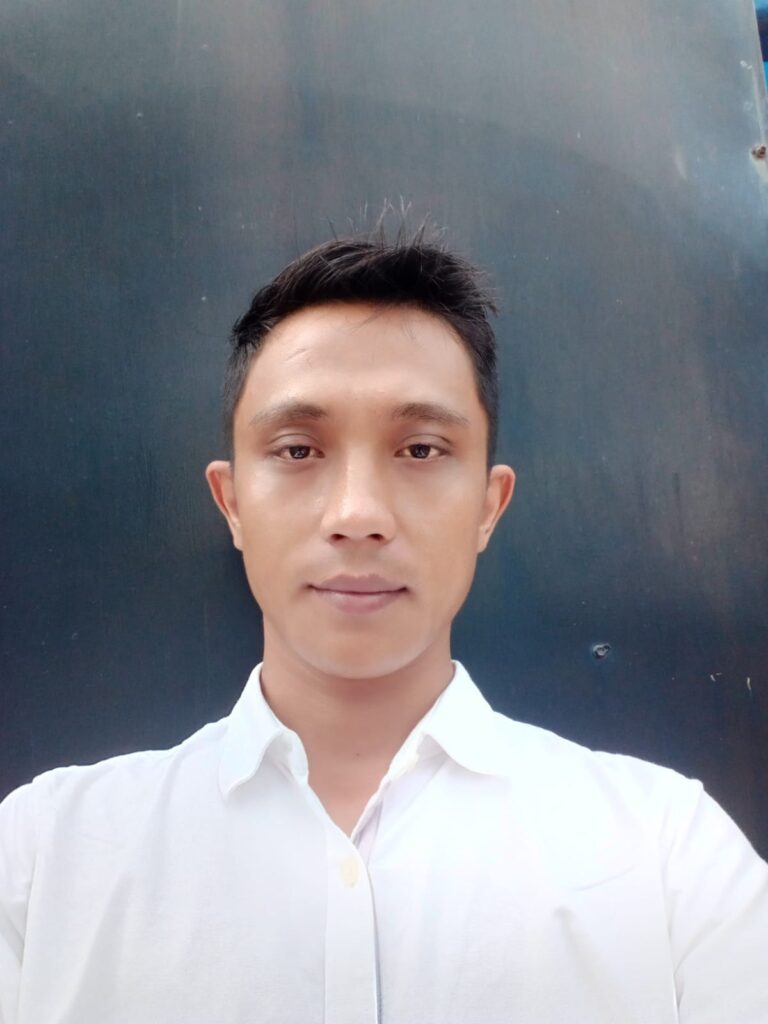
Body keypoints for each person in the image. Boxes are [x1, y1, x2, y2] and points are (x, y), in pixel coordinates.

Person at [0, 222, 766, 1024]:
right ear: (231, 503)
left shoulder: (668, 858)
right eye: (298, 450)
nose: (357, 514)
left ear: (489, 505)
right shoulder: (43, 862)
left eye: (421, 449)